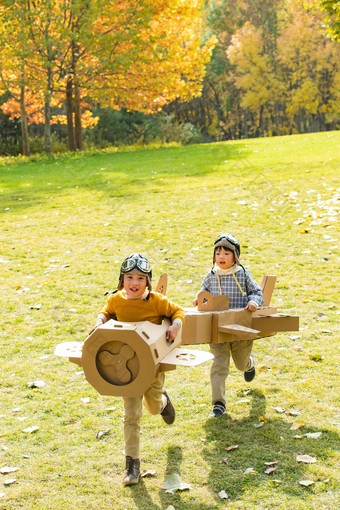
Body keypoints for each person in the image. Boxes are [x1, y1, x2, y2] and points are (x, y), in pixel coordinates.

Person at [94, 253, 185, 486]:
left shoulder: (156, 301)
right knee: (131, 415)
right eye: (129, 278)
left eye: (140, 279)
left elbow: (178, 312)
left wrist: (176, 326)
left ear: (147, 282)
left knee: (153, 408)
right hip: (127, 368)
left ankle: (163, 402)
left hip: (152, 365)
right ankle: (132, 464)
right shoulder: (116, 299)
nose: (134, 283)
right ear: (122, 280)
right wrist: (100, 320)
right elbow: (106, 311)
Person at [193, 233, 263, 418]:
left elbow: (256, 291)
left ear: (235, 256)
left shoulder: (243, 274)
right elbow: (204, 291)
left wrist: (254, 302)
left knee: (240, 363)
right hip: (217, 328)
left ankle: (249, 364)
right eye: (218, 253)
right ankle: (218, 404)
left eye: (226, 253)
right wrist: (199, 298)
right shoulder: (211, 275)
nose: (221, 257)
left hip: (240, 328)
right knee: (219, 365)